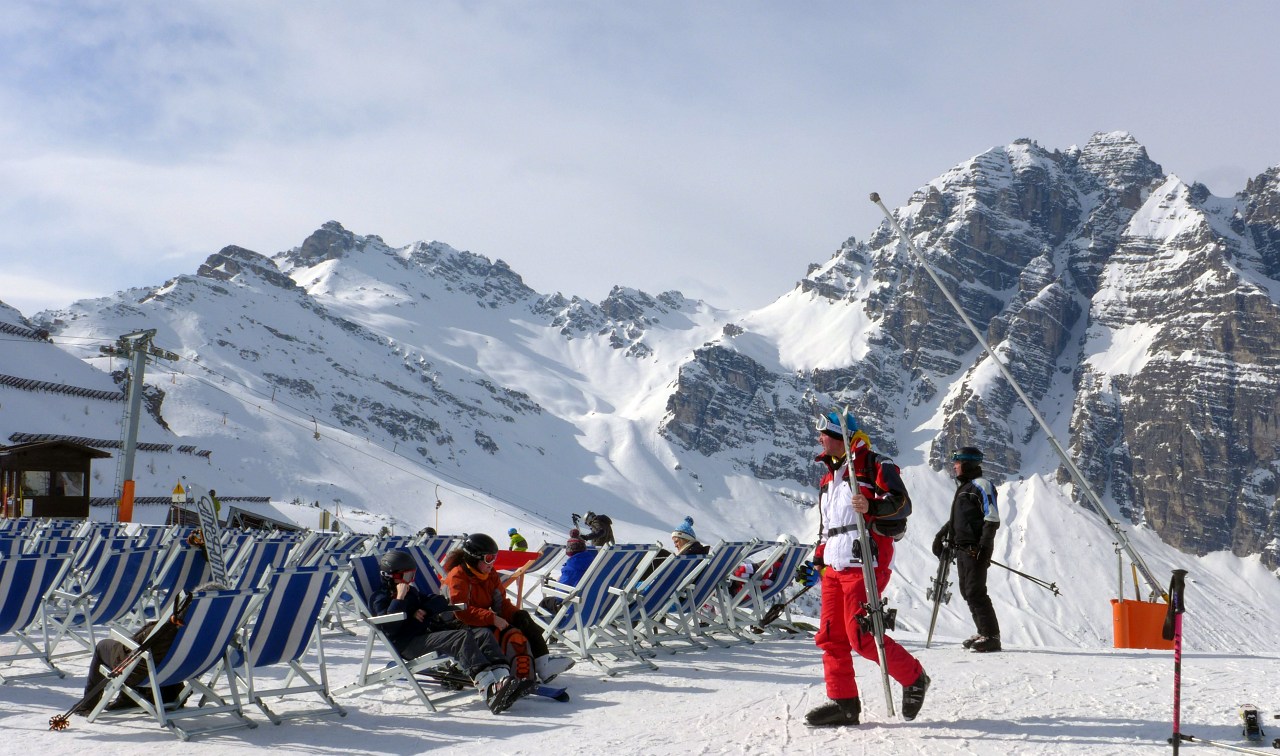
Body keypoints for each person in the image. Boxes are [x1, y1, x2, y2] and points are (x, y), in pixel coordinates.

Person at [799, 411, 930, 727]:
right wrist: (816, 561)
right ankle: (844, 704)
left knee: (860, 635)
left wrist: (872, 507)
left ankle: (914, 677)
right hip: (834, 565)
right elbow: (828, 528)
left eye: (823, 433)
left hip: (866, 563)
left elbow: (902, 503)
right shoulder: (828, 479)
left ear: (838, 436)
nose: (819, 439)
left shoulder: (874, 465)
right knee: (831, 637)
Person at [371, 550, 529, 714]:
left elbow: (438, 600)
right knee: (459, 637)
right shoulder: (380, 598)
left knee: (482, 634)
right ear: (391, 575)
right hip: (408, 644)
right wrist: (399, 600)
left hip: (425, 635)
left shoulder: (412, 593)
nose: (411, 581)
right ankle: (489, 689)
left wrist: (423, 609)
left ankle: (503, 680)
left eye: (413, 575)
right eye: (408, 576)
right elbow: (389, 627)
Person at [72, 580, 227, 716]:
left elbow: (136, 648)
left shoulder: (172, 627)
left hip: (147, 672)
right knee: (149, 654)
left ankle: (88, 705)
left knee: (104, 646)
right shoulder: (220, 628)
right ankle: (131, 697)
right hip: (186, 670)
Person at [443, 533, 575, 684]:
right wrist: (492, 618)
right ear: (473, 558)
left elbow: (500, 603)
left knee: (522, 618)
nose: (492, 563)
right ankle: (502, 674)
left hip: (479, 618)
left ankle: (542, 665)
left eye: (494, 558)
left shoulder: (489, 574)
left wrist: (515, 614)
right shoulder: (458, 577)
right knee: (491, 633)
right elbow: (461, 612)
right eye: (488, 559)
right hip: (456, 624)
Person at [933, 446, 1001, 653]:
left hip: (975, 549)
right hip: (962, 549)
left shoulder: (982, 485)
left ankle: (992, 637)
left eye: (957, 463)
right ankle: (983, 632)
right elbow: (958, 519)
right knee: (967, 591)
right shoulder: (964, 488)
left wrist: (984, 546)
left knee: (975, 591)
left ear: (967, 463)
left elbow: (992, 517)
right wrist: (941, 535)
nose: (954, 466)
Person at [538, 529, 596, 614]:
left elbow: (560, 594)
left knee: (545, 602)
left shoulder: (572, 566)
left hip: (574, 609)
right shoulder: (594, 561)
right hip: (592, 606)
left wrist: (554, 586)